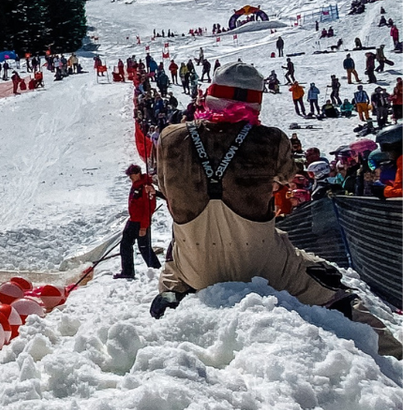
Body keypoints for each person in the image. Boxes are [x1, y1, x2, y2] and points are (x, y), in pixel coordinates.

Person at [152, 62, 402, 358]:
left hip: (195, 266)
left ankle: (171, 290)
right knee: (332, 289)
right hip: (262, 262)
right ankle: (393, 352)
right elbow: (287, 176)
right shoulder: (270, 139)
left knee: (176, 249)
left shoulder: (170, 137)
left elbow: (165, 188)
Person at [114, 164, 161, 279]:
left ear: (137, 174)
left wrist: (144, 227)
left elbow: (148, 209)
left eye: (131, 175)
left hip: (141, 223)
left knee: (144, 247)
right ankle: (128, 271)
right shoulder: (136, 186)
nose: (130, 178)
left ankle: (157, 270)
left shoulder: (145, 187)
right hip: (133, 220)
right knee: (126, 245)